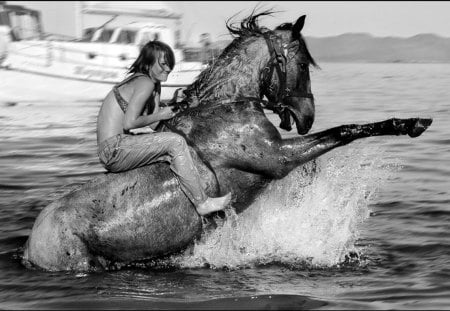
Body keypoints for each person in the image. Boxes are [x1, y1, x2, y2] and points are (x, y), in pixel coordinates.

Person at [96, 40, 231, 216]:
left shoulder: (152, 83)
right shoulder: (145, 83)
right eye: (163, 64)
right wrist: (161, 114)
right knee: (175, 142)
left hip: (116, 146)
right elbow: (130, 123)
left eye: (170, 64)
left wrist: (178, 105)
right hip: (114, 149)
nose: (168, 68)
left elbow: (152, 124)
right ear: (149, 63)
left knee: (173, 140)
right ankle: (202, 202)